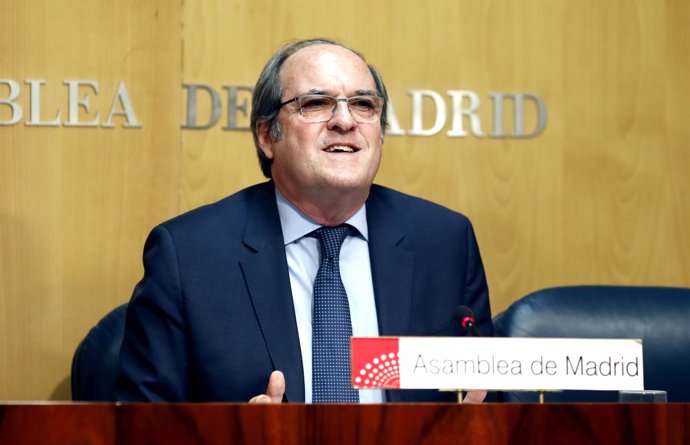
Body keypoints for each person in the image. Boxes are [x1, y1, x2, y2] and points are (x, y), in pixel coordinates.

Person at [116, 38, 493, 404]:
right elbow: (145, 423)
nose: (344, 121)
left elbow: (489, 399)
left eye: (363, 104)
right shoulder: (188, 256)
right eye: (316, 103)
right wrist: (235, 436)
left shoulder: (443, 242)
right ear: (266, 136)